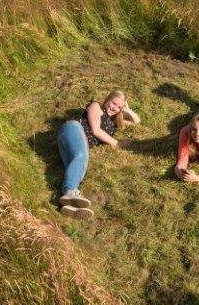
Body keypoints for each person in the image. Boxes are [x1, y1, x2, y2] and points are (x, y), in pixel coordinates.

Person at [57, 90, 140, 219]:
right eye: (114, 103)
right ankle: (71, 193)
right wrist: (116, 143)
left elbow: (137, 122)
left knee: (80, 169)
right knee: (82, 157)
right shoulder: (96, 106)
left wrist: (127, 110)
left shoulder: (114, 123)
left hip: (76, 146)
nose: (115, 108)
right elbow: (95, 130)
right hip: (73, 130)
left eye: (119, 107)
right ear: (108, 99)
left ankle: (69, 204)